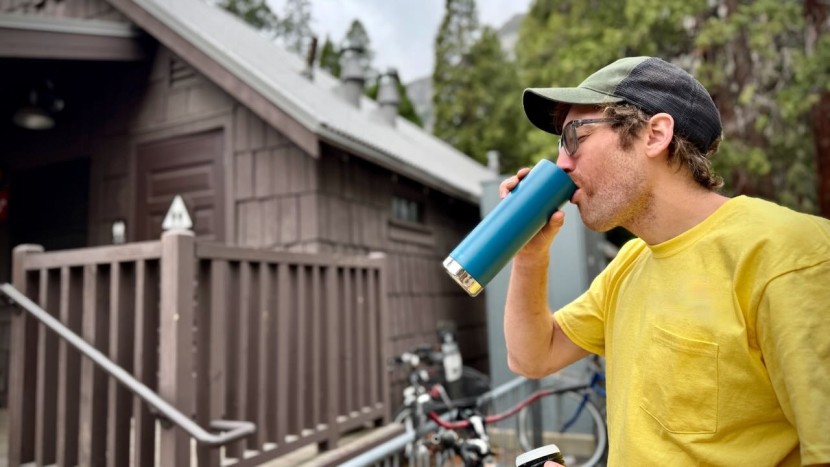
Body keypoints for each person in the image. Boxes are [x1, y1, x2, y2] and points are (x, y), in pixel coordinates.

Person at [502, 56, 830, 466]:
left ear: (654, 135)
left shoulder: (793, 256)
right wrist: (530, 255)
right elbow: (532, 356)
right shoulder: (631, 262)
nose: (561, 163)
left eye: (574, 137)